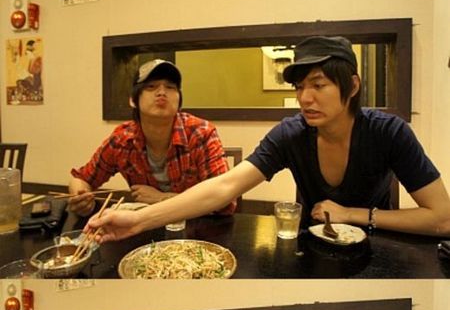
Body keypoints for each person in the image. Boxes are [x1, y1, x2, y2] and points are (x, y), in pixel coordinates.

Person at [86, 35, 450, 238]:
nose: (305, 98)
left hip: (377, 243)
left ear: (352, 86)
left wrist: (351, 214)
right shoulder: (291, 133)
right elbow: (224, 187)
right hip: (312, 244)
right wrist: (138, 220)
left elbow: (442, 218)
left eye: (319, 85)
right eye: (300, 87)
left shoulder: (388, 132)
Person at [69, 58, 236, 217]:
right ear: (133, 100)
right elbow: (81, 179)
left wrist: (162, 199)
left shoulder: (201, 133)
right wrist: (80, 197)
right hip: (144, 227)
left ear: (179, 100)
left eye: (170, 87)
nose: (162, 92)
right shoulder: (122, 140)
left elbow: (225, 202)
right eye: (151, 87)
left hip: (197, 228)